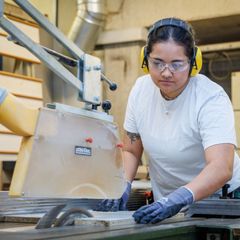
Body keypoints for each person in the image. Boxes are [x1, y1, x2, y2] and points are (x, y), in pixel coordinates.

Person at [95, 17, 240, 224]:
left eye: (176, 64)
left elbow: (221, 167)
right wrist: (122, 184)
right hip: (167, 204)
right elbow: (130, 150)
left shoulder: (210, 97)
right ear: (145, 60)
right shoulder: (141, 90)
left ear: (193, 63)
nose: (166, 72)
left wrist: (179, 198)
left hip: (220, 201)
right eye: (157, 63)